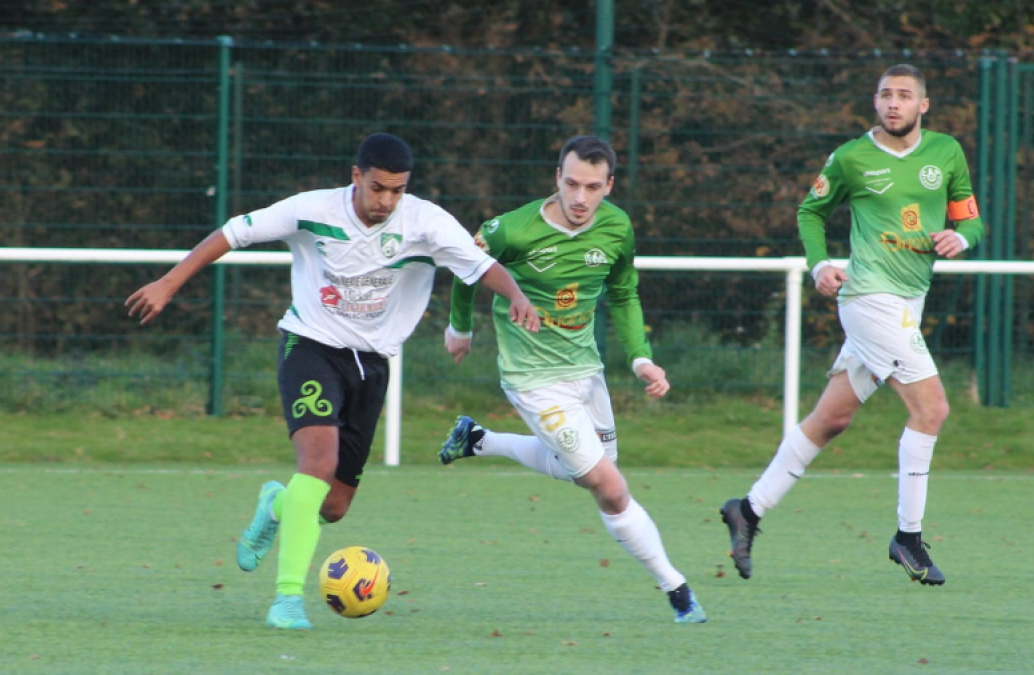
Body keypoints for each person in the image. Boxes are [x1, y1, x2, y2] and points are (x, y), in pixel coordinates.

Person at [125, 133, 540, 630]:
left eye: (397, 190)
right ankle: (286, 600)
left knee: (334, 506)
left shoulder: (426, 222)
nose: (386, 201)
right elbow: (233, 233)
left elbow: (483, 266)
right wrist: (168, 282)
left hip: (372, 365)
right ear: (356, 176)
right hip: (310, 346)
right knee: (317, 465)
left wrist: (517, 296)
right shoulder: (313, 209)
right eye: (377, 188)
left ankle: (276, 505)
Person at [720, 64, 985, 586]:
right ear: (875, 101)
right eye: (886, 94)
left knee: (832, 419)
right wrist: (819, 264)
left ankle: (747, 510)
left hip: (910, 301)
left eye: (904, 95)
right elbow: (810, 212)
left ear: (923, 105)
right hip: (868, 298)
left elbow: (970, 218)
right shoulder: (851, 157)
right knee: (931, 408)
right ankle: (908, 537)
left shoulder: (946, 152)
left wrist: (962, 237)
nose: (893, 103)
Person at [437, 135, 706, 624]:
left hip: (586, 370)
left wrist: (641, 360)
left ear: (610, 186)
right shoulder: (511, 230)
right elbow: (465, 266)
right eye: (573, 184)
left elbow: (623, 293)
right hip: (532, 379)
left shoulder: (617, 227)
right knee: (611, 487)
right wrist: (460, 327)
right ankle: (677, 589)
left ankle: (479, 440)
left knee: (592, 472)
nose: (581, 198)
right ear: (557, 178)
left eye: (593, 187)